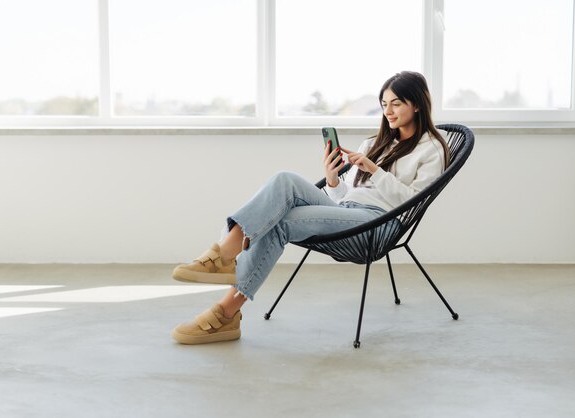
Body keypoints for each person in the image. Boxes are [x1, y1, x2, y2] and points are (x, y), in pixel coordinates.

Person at [171, 71, 450, 345]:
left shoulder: (431, 149)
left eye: (396, 104)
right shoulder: (374, 143)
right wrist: (331, 179)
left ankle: (225, 306)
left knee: (281, 221)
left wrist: (374, 170)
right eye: (384, 104)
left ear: (416, 104)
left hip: (376, 224)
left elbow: (413, 200)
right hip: (348, 213)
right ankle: (225, 259)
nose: (388, 111)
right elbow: (344, 197)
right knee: (285, 180)